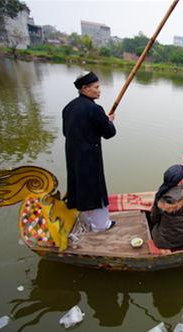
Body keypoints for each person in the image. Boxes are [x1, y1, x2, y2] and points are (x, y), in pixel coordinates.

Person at [62, 71, 116, 232]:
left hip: (73, 155)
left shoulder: (69, 107)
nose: (99, 90)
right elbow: (109, 133)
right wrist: (109, 121)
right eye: (96, 87)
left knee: (79, 185)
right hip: (90, 156)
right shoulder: (94, 109)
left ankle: (85, 221)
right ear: (85, 88)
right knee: (95, 189)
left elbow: (67, 132)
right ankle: (101, 225)